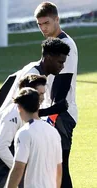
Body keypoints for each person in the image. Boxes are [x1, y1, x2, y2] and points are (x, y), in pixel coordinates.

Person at [0, 37, 70, 167]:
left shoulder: (33, 68)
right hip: (3, 133)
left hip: (6, 131)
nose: (62, 66)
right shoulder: (32, 76)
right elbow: (24, 109)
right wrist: (53, 110)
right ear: (49, 57)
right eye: (60, 62)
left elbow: (9, 81)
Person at [34, 2, 78, 187]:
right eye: (40, 24)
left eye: (47, 23)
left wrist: (46, 116)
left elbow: (62, 86)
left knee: (59, 168)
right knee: (51, 168)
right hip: (52, 112)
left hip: (61, 114)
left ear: (57, 20)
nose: (43, 28)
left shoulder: (65, 45)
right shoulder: (53, 44)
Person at [0, 74, 47, 188]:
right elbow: (1, 147)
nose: (43, 98)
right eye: (40, 94)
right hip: (1, 173)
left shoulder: (32, 113)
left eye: (43, 93)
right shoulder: (13, 113)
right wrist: (19, 168)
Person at [6, 88, 62, 188]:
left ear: (19, 108)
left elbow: (18, 167)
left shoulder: (24, 132)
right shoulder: (53, 131)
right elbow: (59, 168)